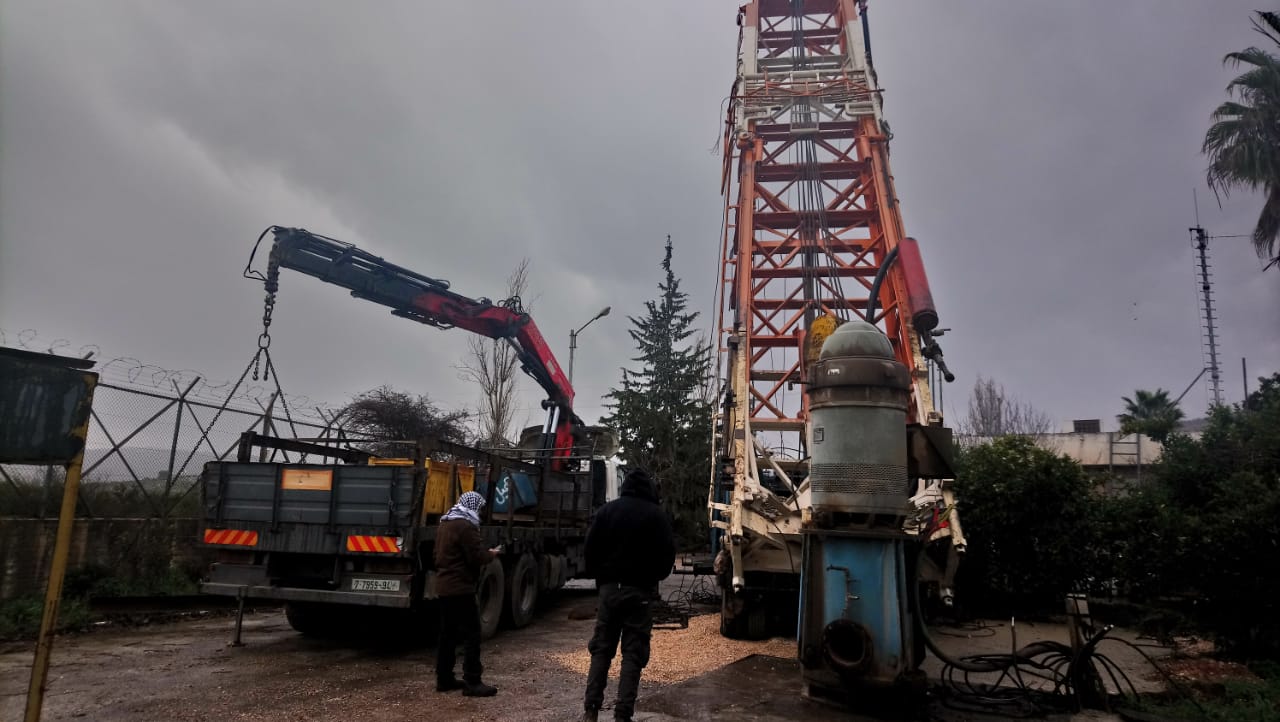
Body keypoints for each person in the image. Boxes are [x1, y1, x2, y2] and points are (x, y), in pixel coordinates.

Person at [580, 468, 676, 722]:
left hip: (610, 591)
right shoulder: (656, 516)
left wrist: (601, 579)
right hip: (640, 593)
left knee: (602, 649)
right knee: (633, 653)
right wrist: (652, 579)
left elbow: (590, 549)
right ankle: (623, 714)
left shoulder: (607, 511)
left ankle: (591, 710)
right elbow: (668, 555)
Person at [434, 490, 500, 697]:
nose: (479, 512)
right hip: (460, 588)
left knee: (447, 635)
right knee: (472, 634)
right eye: (479, 508)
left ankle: (444, 679)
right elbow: (476, 557)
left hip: (444, 587)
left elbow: (437, 555)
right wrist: (491, 554)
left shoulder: (445, 522)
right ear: (473, 506)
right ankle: (473, 681)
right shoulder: (466, 526)